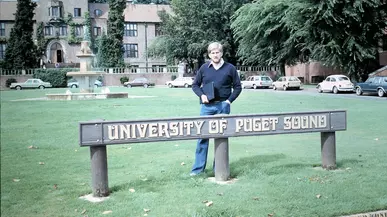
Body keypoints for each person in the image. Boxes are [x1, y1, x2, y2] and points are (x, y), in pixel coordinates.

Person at [190, 42, 242, 176]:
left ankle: (218, 169)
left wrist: (229, 101)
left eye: (217, 52)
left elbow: (237, 87)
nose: (215, 55)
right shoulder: (204, 68)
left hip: (222, 107)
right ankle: (197, 170)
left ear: (221, 53)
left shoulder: (230, 68)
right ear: (209, 54)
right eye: (212, 53)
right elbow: (195, 85)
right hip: (206, 107)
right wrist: (201, 95)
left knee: (221, 138)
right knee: (202, 137)